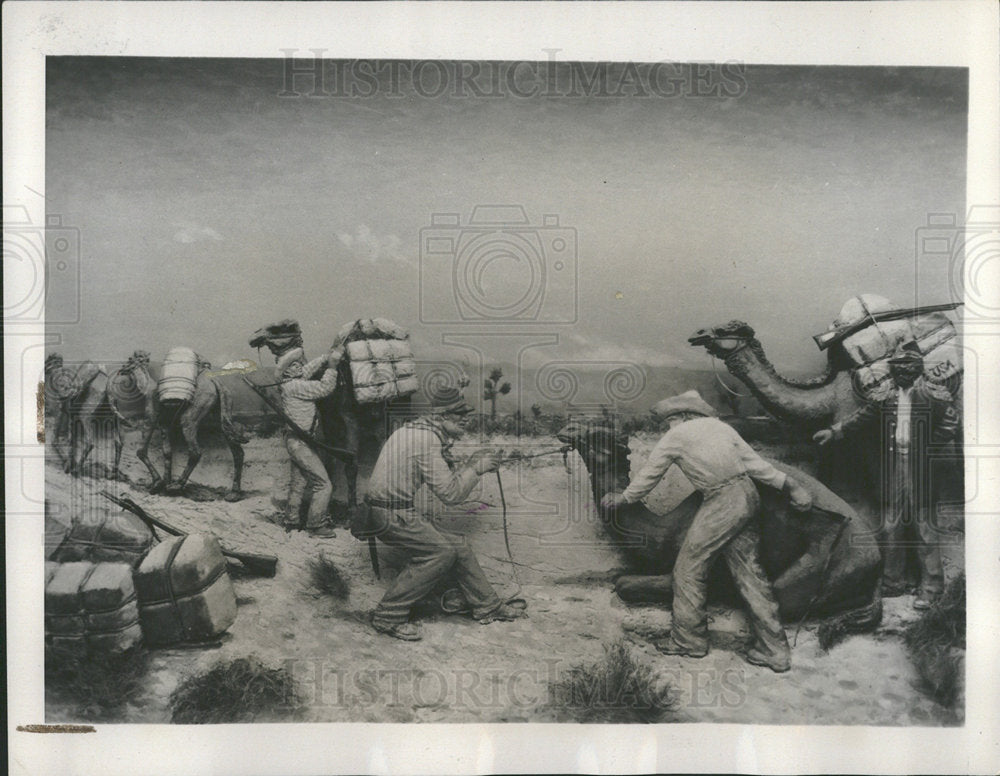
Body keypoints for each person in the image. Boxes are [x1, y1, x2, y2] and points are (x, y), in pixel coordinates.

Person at [600, 390, 813, 673]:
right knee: (751, 574)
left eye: (670, 420)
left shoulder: (677, 436)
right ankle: (774, 650)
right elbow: (758, 467)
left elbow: (650, 475)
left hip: (721, 500)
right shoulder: (721, 429)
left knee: (688, 570)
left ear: (683, 416)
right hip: (747, 496)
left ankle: (689, 640)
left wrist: (624, 498)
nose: (668, 426)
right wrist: (792, 486)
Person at [363, 385, 525, 641]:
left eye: (464, 413)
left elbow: (438, 472)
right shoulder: (426, 441)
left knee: (458, 544)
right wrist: (478, 469)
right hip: (391, 516)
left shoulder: (413, 430)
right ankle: (387, 616)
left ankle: (487, 606)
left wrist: (469, 465)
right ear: (440, 417)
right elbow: (451, 495)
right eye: (458, 414)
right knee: (440, 552)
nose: (465, 419)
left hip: (390, 510)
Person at [813, 341, 959, 609]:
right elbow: (863, 417)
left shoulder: (933, 394)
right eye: (897, 368)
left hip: (922, 469)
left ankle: (932, 588)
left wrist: (930, 444)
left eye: (907, 367)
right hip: (893, 467)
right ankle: (893, 581)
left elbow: (951, 420)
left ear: (917, 368)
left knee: (924, 527)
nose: (901, 372)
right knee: (891, 524)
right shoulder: (886, 396)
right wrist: (834, 432)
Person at [276, 345, 343, 538]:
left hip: (295, 441)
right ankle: (316, 525)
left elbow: (306, 370)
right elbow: (324, 388)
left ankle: (291, 521)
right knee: (323, 484)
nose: (300, 366)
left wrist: (324, 357)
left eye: (298, 364)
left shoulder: (290, 381)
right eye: (295, 365)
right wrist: (332, 367)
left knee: (299, 482)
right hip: (300, 443)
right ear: (287, 370)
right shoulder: (296, 387)